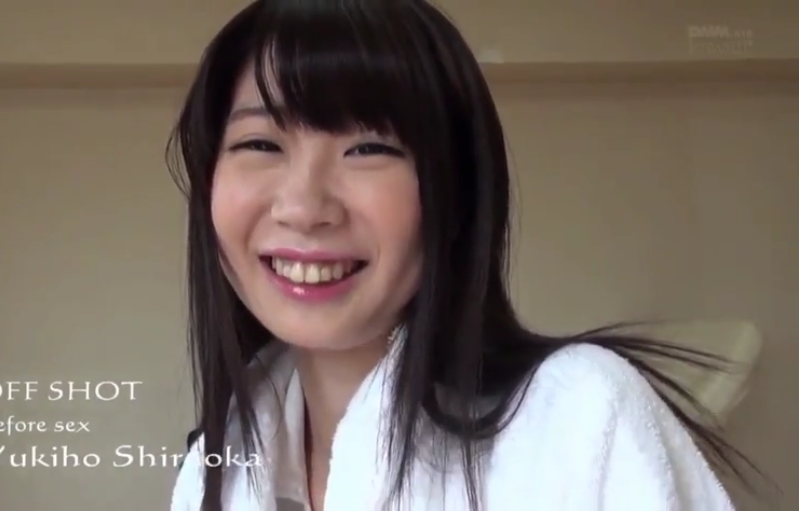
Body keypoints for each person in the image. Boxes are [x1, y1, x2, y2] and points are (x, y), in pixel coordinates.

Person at [166, 1, 761, 509]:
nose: (303, 207)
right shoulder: (217, 466)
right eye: (259, 143)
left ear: (455, 192)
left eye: (369, 148)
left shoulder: (578, 418)